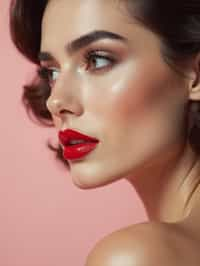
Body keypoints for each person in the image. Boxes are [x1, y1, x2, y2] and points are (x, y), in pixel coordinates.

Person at [9, 0, 200, 265]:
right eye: (51, 72)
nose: (56, 101)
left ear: (196, 75)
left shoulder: (137, 256)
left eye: (97, 60)